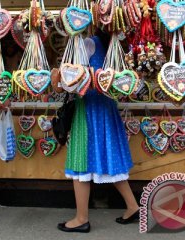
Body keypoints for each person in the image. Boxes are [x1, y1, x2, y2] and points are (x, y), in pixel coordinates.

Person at [57, 34, 139, 233]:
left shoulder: (87, 43)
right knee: (108, 158)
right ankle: (132, 207)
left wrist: (57, 75)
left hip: (88, 108)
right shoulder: (109, 42)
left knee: (80, 161)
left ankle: (81, 218)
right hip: (106, 106)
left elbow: (73, 79)